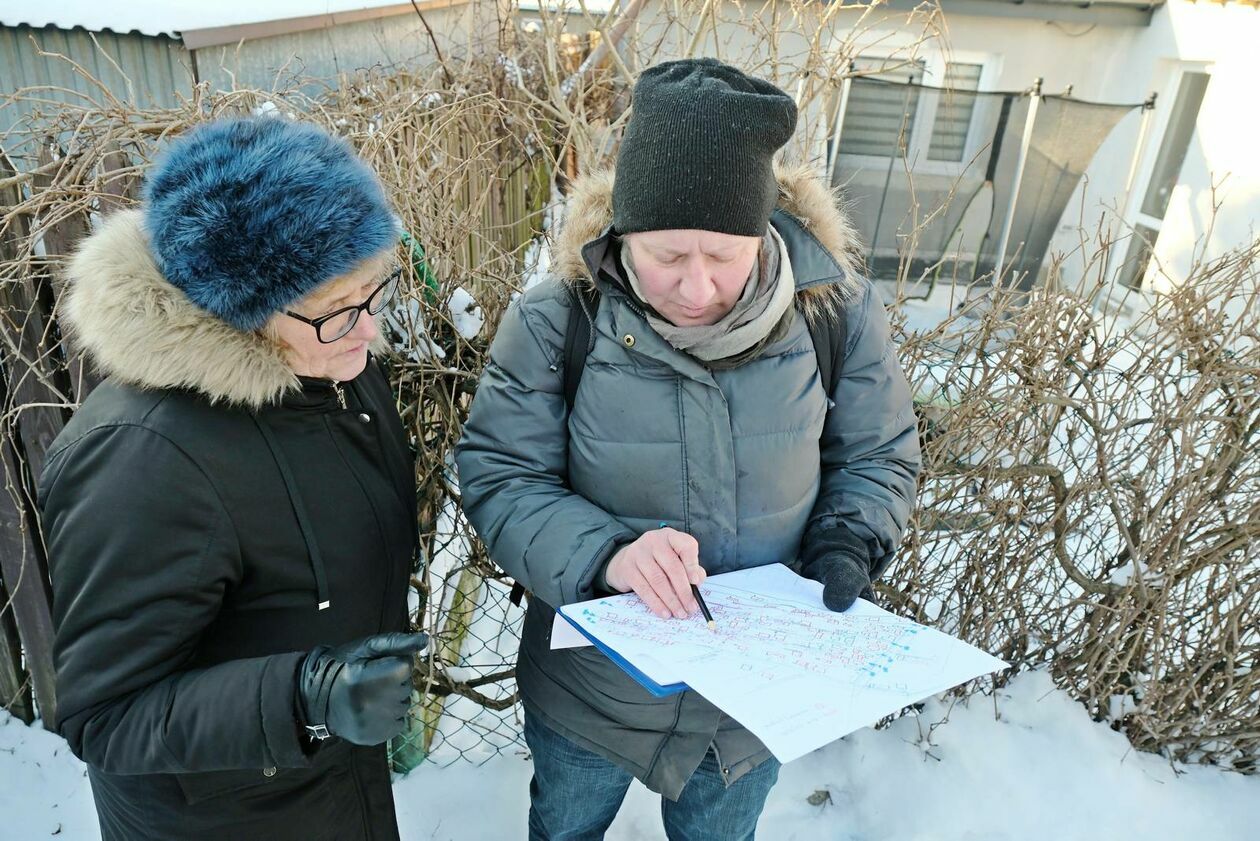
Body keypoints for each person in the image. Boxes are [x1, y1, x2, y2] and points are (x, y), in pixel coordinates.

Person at [455, 58, 921, 840]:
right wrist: (609, 555)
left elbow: (879, 453)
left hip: (748, 707)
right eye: (668, 257)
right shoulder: (556, 320)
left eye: (725, 257)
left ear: (765, 230)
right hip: (591, 694)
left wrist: (849, 537)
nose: (697, 289)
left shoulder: (834, 313)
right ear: (623, 231)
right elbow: (500, 473)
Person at [38, 116, 425, 841]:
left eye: (375, 291)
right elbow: (106, 716)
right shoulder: (144, 461)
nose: (370, 330)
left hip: (334, 793)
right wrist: (303, 695)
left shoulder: (328, 367)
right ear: (240, 313)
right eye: (340, 310)